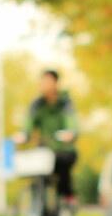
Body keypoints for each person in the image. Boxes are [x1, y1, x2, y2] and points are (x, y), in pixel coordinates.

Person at [13, 68, 80, 205]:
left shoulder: (65, 104)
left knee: (63, 171)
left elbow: (71, 121)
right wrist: (24, 135)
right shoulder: (37, 105)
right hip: (44, 148)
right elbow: (29, 124)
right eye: (42, 82)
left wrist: (71, 133)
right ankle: (37, 211)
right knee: (37, 173)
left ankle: (66, 200)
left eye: (48, 82)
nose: (44, 85)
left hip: (63, 148)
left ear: (56, 83)